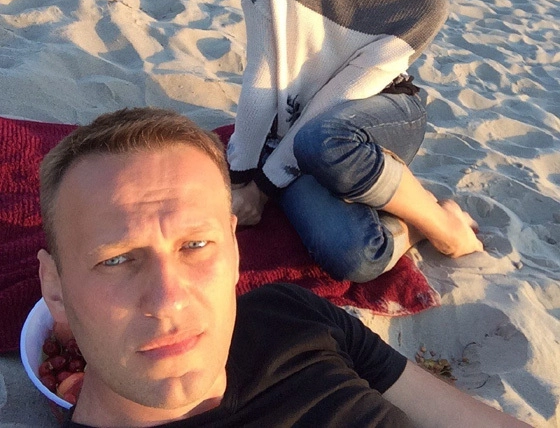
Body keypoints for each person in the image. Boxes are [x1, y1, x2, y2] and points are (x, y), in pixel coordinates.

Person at [37, 107, 528, 428]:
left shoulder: (289, 314)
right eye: (117, 258)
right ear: (54, 287)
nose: (169, 299)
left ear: (235, 250)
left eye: (196, 244)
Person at [228, 0, 483, 282]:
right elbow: (262, 73)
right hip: (302, 127)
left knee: (321, 139)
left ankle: (442, 224)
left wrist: (260, 191)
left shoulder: (422, 5)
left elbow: (336, 104)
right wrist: (239, 177)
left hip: (376, 114)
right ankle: (407, 226)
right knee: (354, 254)